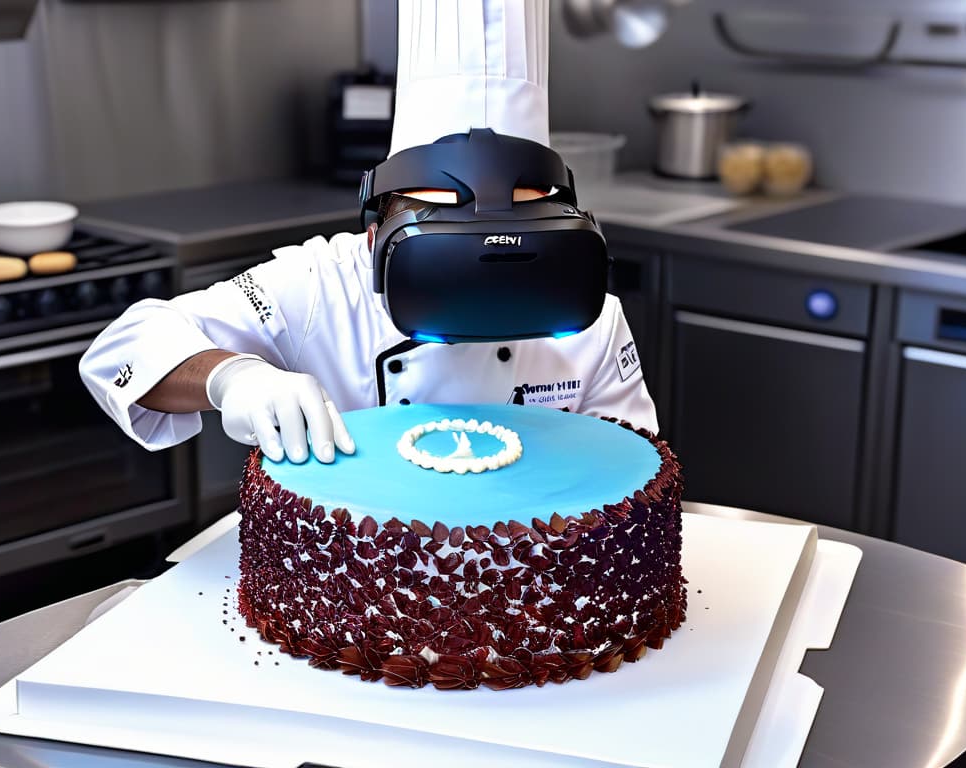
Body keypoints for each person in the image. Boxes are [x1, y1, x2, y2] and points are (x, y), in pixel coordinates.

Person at [79, 0, 659, 465]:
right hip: (345, 589)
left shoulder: (591, 318)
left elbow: (633, 473)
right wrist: (232, 378)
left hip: (534, 582)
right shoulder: (318, 290)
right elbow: (119, 353)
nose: (489, 244)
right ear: (377, 226)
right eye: (445, 216)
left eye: (520, 215)